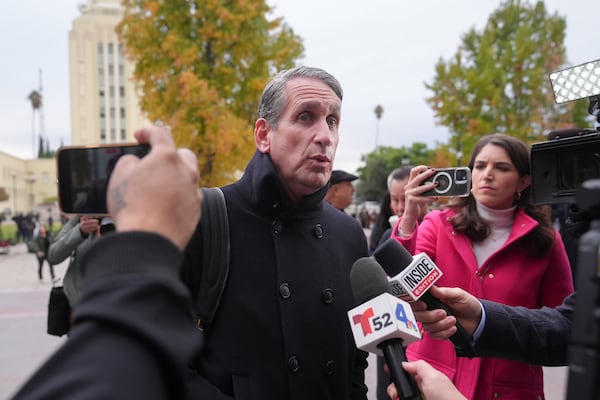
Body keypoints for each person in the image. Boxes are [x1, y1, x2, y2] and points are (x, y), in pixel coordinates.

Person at [181, 66, 369, 399]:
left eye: (333, 121)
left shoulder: (349, 234)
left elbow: (354, 361)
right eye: (305, 117)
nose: (325, 135)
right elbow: (164, 360)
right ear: (264, 135)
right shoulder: (202, 218)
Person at [11, 126, 204, 399]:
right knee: (83, 359)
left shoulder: (146, 213)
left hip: (119, 311)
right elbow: (54, 254)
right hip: (82, 307)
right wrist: (80, 232)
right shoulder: (83, 214)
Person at [392, 133, 574, 399]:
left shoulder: (546, 241)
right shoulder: (437, 225)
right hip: (434, 381)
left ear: (523, 181)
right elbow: (402, 288)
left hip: (511, 387)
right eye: (479, 166)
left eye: (501, 167)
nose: (487, 174)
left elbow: (560, 325)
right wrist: (409, 218)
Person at [49, 215, 114, 309]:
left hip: (119, 305)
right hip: (81, 305)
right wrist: (79, 232)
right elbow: (53, 256)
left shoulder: (132, 215)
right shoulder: (80, 217)